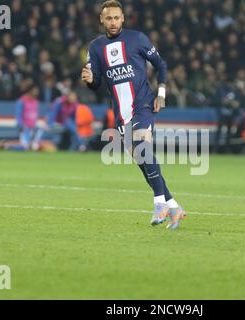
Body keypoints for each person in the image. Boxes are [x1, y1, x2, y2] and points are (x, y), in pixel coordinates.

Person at [81, 0, 185, 229]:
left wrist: (161, 94)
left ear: (123, 18)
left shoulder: (137, 38)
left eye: (117, 17)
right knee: (143, 162)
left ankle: (160, 204)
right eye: (109, 18)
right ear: (102, 19)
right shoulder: (96, 47)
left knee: (142, 145)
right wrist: (90, 81)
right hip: (121, 112)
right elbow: (97, 82)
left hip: (143, 104)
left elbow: (161, 65)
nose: (113, 22)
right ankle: (174, 206)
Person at [9, 85, 42, 151]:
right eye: (35, 90)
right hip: (24, 128)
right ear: (30, 91)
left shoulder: (36, 102)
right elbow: (18, 115)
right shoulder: (21, 101)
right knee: (25, 147)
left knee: (34, 147)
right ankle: (8, 146)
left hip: (33, 128)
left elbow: (35, 115)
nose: (37, 92)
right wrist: (21, 125)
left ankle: (34, 144)